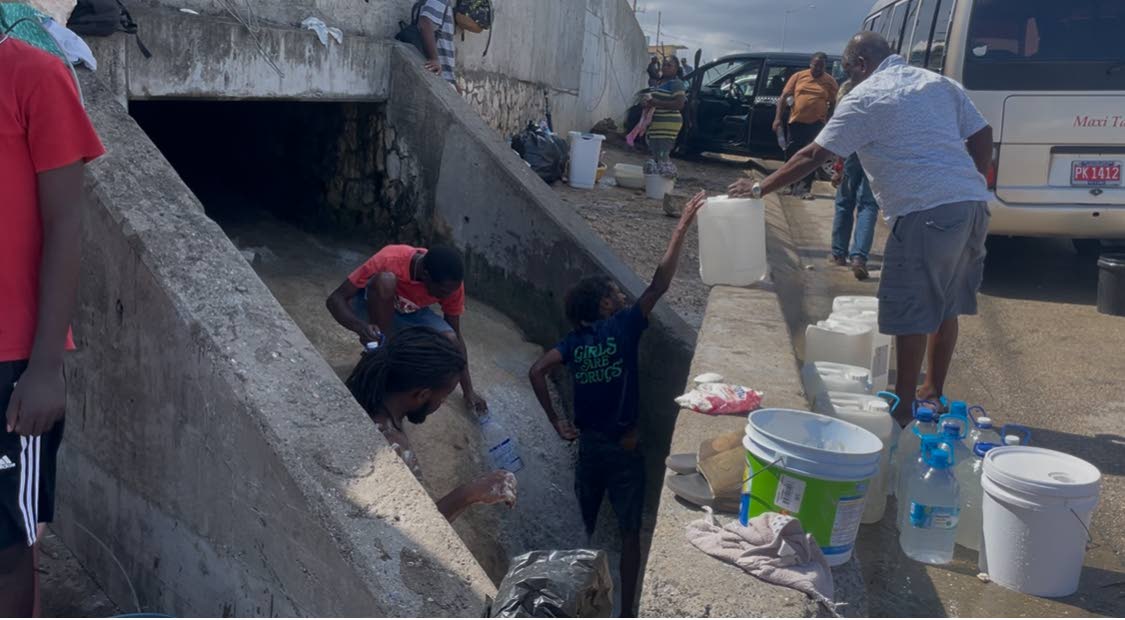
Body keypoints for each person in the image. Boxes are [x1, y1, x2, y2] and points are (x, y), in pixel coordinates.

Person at [729, 32, 993, 426]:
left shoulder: (867, 96)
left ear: (861, 65)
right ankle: (932, 393)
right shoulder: (937, 83)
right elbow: (983, 133)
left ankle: (902, 412)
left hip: (925, 211)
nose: (845, 79)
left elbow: (815, 153)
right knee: (945, 306)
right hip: (971, 207)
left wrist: (758, 187)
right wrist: (971, 180)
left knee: (911, 312)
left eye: (848, 70)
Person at [528, 191, 708, 617]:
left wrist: (557, 422)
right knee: (630, 533)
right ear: (602, 306)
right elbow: (660, 284)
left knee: (583, 527)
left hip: (589, 448)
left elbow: (537, 371)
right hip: (626, 450)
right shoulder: (624, 328)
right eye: (613, 293)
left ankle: (570, 603)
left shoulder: (572, 344)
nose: (621, 296)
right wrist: (681, 228)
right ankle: (627, 613)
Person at [0, 36, 105, 616]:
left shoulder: (34, 76)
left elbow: (65, 224)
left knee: (9, 544)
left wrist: (45, 368)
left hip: (12, 361)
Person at [346, 327, 516, 522]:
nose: (442, 403)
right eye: (443, 397)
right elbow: (413, 528)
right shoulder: (393, 448)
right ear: (422, 395)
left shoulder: (367, 389)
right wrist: (469, 493)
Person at [326, 244, 488, 413]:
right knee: (385, 281)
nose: (448, 296)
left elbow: (456, 335)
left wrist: (469, 391)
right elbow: (335, 299)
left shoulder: (451, 284)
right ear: (426, 275)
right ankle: (378, 357)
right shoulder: (390, 259)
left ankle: (397, 369)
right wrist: (361, 328)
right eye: (443, 291)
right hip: (369, 306)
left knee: (450, 340)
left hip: (410, 314)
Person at [828, 79, 880, 280]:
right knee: (869, 205)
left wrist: (837, 166)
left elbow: (840, 129)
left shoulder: (848, 89)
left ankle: (839, 254)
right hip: (876, 154)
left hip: (851, 151)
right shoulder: (885, 90)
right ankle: (858, 258)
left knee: (844, 203)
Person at [774, 52, 839, 200]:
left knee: (812, 157)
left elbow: (834, 102)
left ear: (824, 67)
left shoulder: (830, 81)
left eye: (821, 66)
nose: (817, 68)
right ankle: (788, 185)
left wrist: (829, 120)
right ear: (811, 64)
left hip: (817, 124)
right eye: (815, 65)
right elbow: (783, 97)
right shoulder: (798, 77)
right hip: (796, 122)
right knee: (792, 154)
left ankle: (804, 189)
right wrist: (777, 118)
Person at [645, 56, 686, 168]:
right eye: (664, 65)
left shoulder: (676, 83)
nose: (665, 67)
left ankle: (664, 180)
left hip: (668, 124)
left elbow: (679, 104)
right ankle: (656, 181)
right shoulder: (659, 82)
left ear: (676, 68)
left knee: (662, 155)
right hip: (656, 124)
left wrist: (656, 102)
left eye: (669, 65)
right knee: (655, 155)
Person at [419, 0, 457, 86]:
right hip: (439, 76)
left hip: (443, 76)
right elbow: (425, 22)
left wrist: (452, 79)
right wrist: (434, 59)